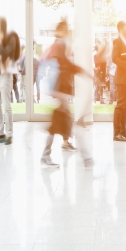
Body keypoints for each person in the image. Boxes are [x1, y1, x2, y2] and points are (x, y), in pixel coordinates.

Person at [40, 21, 90, 167]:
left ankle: (59, 148)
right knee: (61, 120)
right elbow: (64, 65)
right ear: (61, 31)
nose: (68, 32)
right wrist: (82, 72)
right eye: (66, 30)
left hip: (61, 89)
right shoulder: (58, 45)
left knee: (62, 119)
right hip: (60, 88)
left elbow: (64, 64)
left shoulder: (60, 45)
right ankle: (84, 156)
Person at [0, 17, 19, 145]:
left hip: (5, 76)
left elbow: (7, 54)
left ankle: (9, 135)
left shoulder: (10, 38)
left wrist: (0, 47)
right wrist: (0, 57)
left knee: (7, 107)